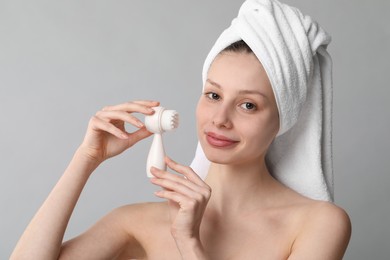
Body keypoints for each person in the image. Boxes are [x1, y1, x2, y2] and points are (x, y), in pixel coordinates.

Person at [11, 0, 351, 259]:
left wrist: (189, 244)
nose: (220, 118)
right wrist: (85, 159)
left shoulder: (317, 224)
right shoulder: (137, 222)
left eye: (248, 104)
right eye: (213, 95)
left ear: (283, 118)